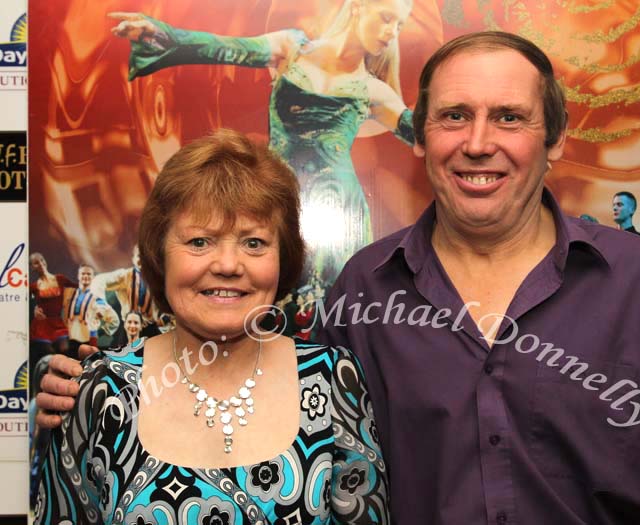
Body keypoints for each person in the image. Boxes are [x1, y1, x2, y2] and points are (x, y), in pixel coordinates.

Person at [37, 32, 640, 524]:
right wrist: (85, 383)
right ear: (420, 138)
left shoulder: (637, 282)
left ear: (554, 138)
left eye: (509, 117)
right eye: (452, 116)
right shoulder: (363, 292)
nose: (476, 142)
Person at [34, 129, 388, 524]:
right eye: (200, 242)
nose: (227, 264)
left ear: (282, 257)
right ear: (158, 253)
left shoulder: (333, 379)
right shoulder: (103, 390)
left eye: (253, 243)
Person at [108, 0, 415, 289]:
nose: (392, 32)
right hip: (275, 200)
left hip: (338, 202)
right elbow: (221, 48)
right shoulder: (291, 48)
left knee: (330, 307)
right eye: (387, 18)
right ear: (358, 6)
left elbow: (429, 135)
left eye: (399, 26)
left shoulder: (376, 92)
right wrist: (159, 33)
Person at [90, 244, 163, 341]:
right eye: (139, 256)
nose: (142, 260)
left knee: (156, 355)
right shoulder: (124, 276)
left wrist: (165, 319)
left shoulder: (158, 279)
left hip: (150, 328)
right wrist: (100, 303)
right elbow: (99, 280)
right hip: (128, 327)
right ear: (133, 258)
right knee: (124, 354)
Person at [28, 253, 77, 375]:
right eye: (36, 262)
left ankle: (64, 377)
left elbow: (78, 288)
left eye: (41, 260)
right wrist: (34, 308)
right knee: (48, 354)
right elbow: (23, 302)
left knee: (64, 348)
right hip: (41, 326)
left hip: (57, 323)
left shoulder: (60, 279)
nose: (40, 263)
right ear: (32, 267)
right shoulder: (33, 286)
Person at [63, 263, 119, 358]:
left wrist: (101, 331)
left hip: (88, 340)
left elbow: (114, 320)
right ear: (78, 275)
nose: (85, 276)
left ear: (93, 277)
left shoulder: (97, 297)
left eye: (89, 274)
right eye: (83, 273)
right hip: (69, 339)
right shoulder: (69, 293)